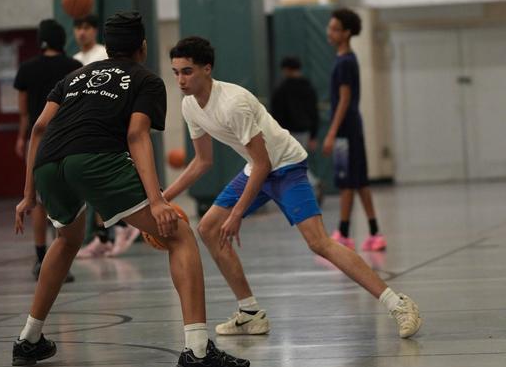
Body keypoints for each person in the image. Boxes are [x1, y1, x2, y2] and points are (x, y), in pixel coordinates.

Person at [12, 11, 250, 367]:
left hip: (48, 164)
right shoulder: (146, 80)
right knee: (180, 235)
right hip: (94, 160)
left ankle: (29, 339)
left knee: (67, 238)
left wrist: (29, 194)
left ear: (107, 47)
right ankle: (198, 350)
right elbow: (137, 135)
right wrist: (156, 200)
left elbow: (40, 127)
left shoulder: (73, 77)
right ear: (142, 47)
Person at [165, 36, 422, 340]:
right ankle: (250, 314)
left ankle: (399, 304)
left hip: (285, 166)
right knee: (208, 229)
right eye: (176, 72)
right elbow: (202, 161)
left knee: (319, 243)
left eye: (187, 71)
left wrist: (236, 214)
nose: (181, 79)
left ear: (207, 69)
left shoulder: (232, 103)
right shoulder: (189, 106)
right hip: (257, 168)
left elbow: (264, 164)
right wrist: (160, 198)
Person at [14, 19, 82, 280]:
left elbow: (23, 112)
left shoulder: (27, 68)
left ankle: (42, 258)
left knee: (39, 202)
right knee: (66, 201)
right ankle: (62, 259)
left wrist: (22, 138)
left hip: (39, 139)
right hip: (69, 139)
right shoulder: (74, 67)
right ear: (63, 39)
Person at [72, 14, 140, 258]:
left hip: (110, 124)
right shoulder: (75, 60)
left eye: (87, 27)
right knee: (91, 183)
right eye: (78, 27)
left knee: (106, 179)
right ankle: (103, 236)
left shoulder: (103, 54)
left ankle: (123, 226)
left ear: (94, 31)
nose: (82, 32)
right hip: (85, 126)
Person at [322, 8, 386, 252]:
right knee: (357, 182)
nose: (330, 32)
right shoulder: (343, 60)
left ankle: (345, 234)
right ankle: (372, 233)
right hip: (349, 129)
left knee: (349, 182)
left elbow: (345, 100)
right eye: (330, 27)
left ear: (347, 33)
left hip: (347, 130)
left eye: (335, 29)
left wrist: (331, 132)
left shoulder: (346, 62)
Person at [270, 55, 320, 191]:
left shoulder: (281, 89)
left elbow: (277, 113)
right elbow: (314, 112)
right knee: (297, 160)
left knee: (292, 162)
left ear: (285, 70)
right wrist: (314, 135)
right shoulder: (308, 87)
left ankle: (312, 184)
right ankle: (310, 185)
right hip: (305, 130)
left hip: (288, 132)